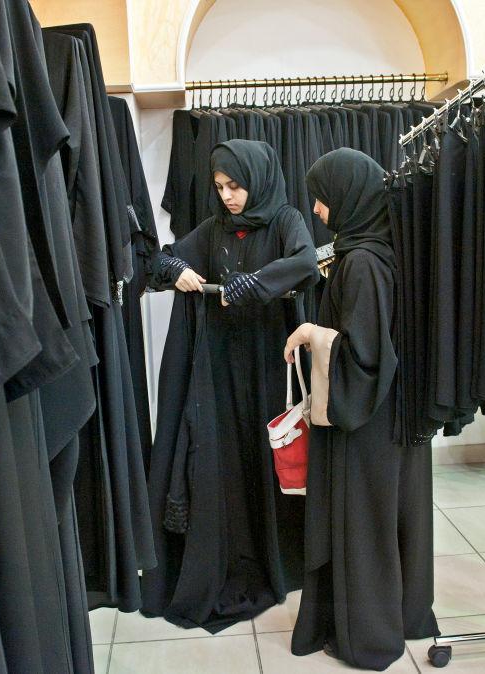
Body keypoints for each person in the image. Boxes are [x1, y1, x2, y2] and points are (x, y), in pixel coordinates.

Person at [142, 139, 320, 632]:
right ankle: (233, 550)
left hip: (268, 362)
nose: (227, 197)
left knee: (267, 455)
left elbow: (304, 264)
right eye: (220, 187)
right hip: (222, 368)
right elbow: (163, 259)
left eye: (235, 186)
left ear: (256, 180)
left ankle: (276, 557)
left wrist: (256, 283)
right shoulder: (216, 228)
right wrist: (175, 269)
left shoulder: (285, 220)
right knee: (226, 455)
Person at [285, 148, 439, 671]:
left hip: (369, 422)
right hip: (397, 415)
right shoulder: (387, 248)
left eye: (323, 198)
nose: (318, 210)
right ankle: (405, 614)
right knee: (396, 514)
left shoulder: (362, 262)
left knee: (364, 523)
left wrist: (311, 332)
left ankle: (368, 637)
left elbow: (365, 356)